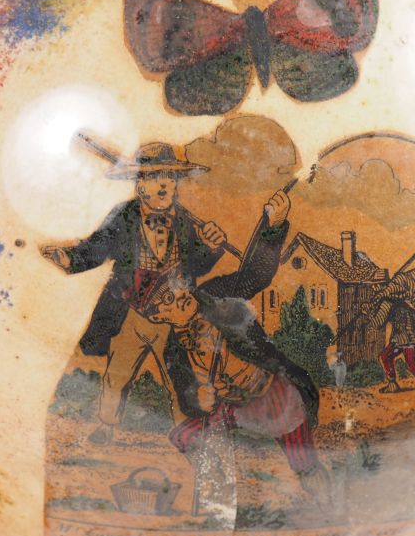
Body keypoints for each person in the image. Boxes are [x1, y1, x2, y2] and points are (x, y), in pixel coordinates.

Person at [139, 190, 337, 510]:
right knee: (184, 436)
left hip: (272, 394)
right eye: (167, 300)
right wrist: (197, 399)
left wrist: (274, 226)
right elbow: (186, 396)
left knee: (303, 459)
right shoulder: (175, 351)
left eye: (175, 286)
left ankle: (326, 506)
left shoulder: (215, 295)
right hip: (231, 408)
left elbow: (255, 275)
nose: (179, 296)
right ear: (157, 316)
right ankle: (220, 489)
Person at [41, 142, 227, 444]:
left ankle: (188, 427)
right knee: (118, 370)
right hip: (132, 311)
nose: (162, 184)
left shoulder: (185, 222)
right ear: (139, 186)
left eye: (168, 177)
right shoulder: (124, 216)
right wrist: (69, 259)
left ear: (176, 183)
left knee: (178, 372)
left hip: (173, 316)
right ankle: (106, 425)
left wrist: (213, 246)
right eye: (152, 177)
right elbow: (98, 248)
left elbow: (199, 264)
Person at [363, 287, 415, 398]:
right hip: (401, 339)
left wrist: (368, 312)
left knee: (411, 362)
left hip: (408, 339)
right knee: (386, 356)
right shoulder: (410, 300)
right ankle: (392, 384)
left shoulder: (388, 303)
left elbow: (377, 323)